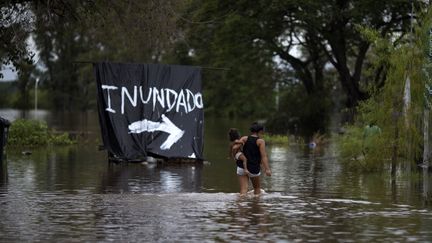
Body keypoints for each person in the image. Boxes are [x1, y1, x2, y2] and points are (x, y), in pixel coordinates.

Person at [238, 122, 271, 195]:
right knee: (257, 189)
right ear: (260, 131)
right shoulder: (260, 141)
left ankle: (240, 204)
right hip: (253, 168)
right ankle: (256, 205)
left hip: (242, 166)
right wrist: (267, 169)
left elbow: (236, 147)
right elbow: (264, 156)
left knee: (243, 189)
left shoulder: (244, 138)